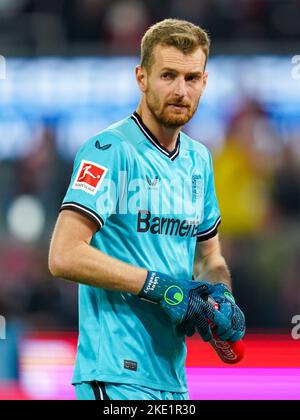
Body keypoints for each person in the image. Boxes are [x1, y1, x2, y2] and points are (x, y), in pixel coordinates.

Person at [49, 18, 245, 401]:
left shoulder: (198, 160)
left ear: (205, 82)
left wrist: (224, 295)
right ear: (141, 77)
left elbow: (209, 257)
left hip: (172, 378)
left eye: (191, 78)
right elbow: (63, 255)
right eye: (167, 75)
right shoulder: (108, 151)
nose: (180, 90)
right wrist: (160, 287)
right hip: (115, 373)